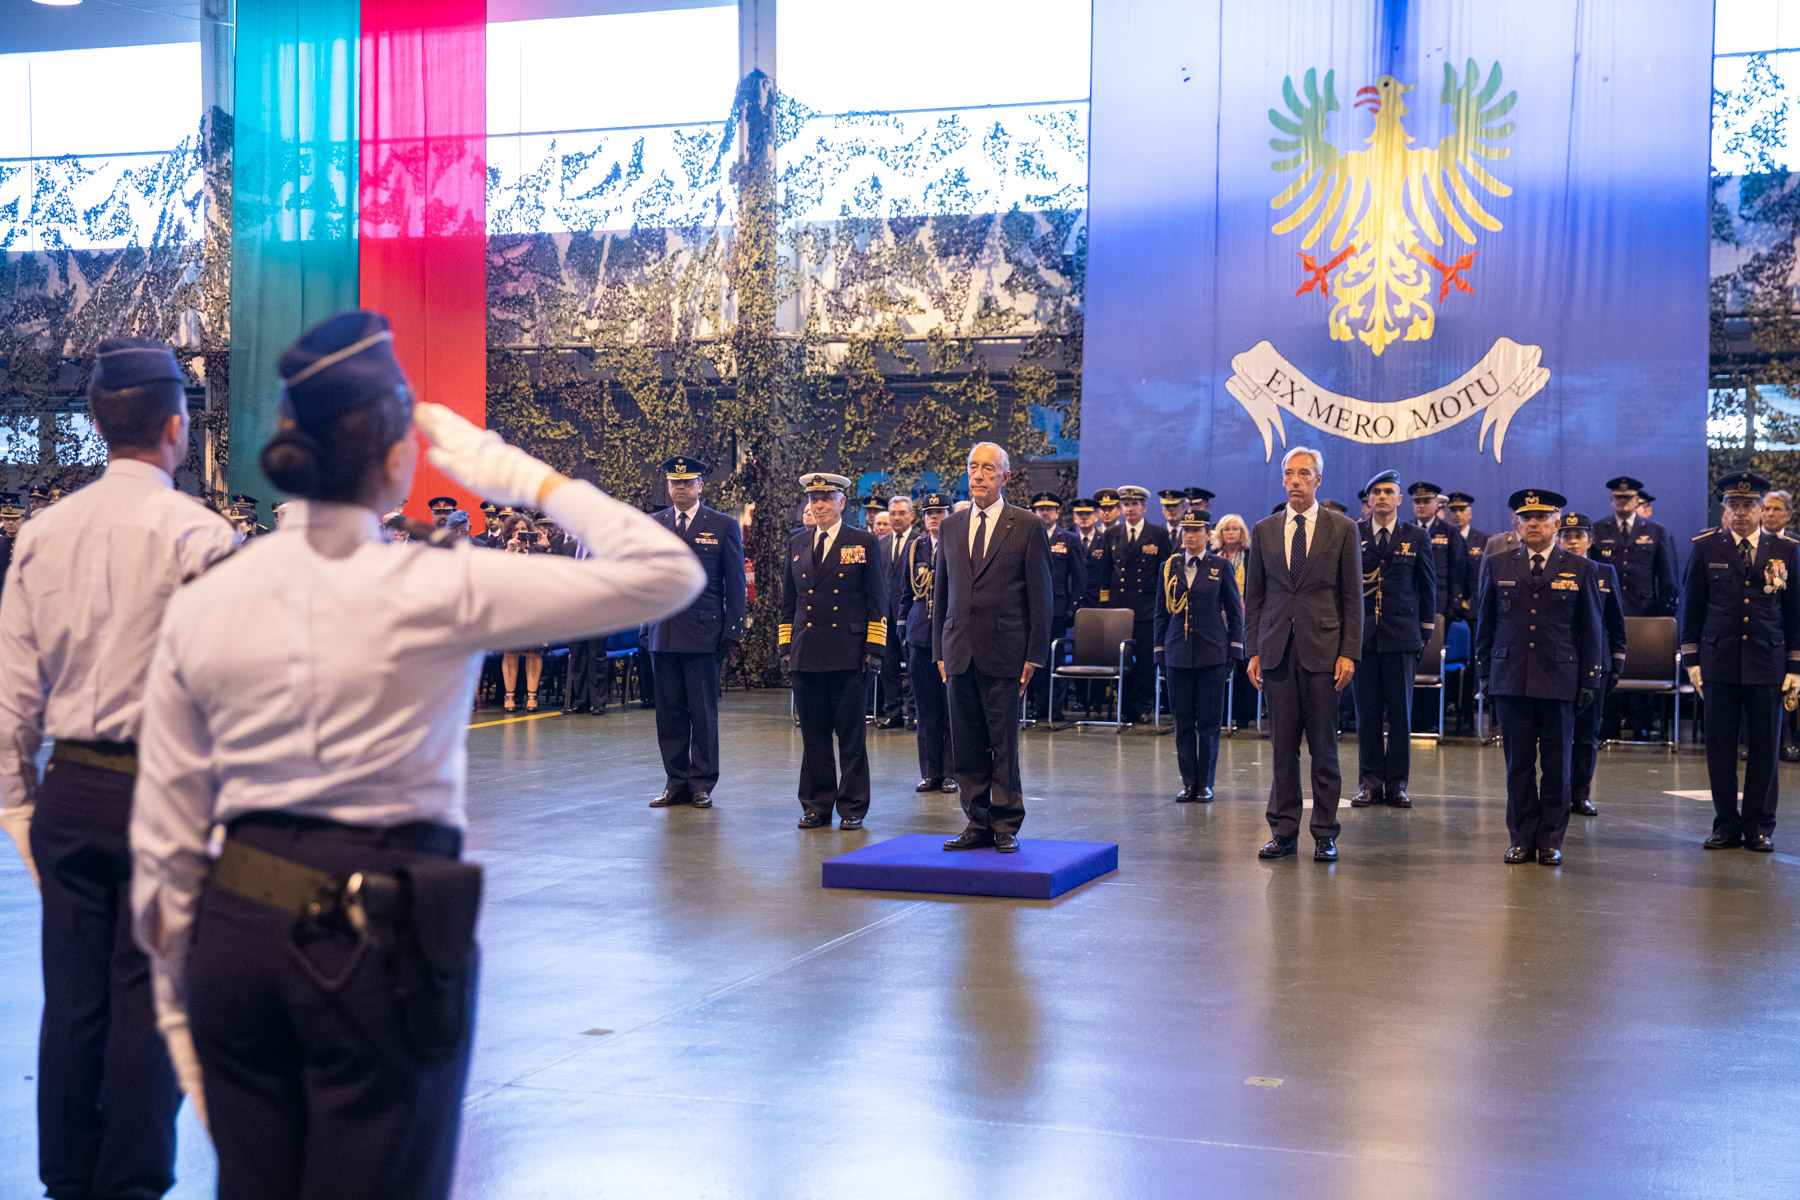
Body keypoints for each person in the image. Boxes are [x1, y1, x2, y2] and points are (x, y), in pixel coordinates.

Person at [128, 310, 702, 1200]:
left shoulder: (211, 595)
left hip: (234, 928)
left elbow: (164, 828)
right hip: (378, 937)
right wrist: (519, 474)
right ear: (398, 459)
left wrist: (176, 1010)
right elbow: (669, 575)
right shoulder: (436, 582)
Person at [0, 337, 236, 1200]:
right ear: (176, 427)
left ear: (98, 424)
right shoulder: (201, 536)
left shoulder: (41, 535)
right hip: (166, 797)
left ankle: (68, 1180)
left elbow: (11, 697)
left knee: (72, 1001)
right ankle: (132, 1183)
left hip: (70, 793)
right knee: (152, 998)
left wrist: (23, 813)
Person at [1244, 446, 1361, 862]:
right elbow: (1254, 597)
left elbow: (1353, 598)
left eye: (1303, 474)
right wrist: (1252, 651)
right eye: (1289, 474)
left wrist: (1349, 652)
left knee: (1324, 749)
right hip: (1276, 651)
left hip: (1325, 653)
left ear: (1318, 480)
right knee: (1282, 749)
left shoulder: (1343, 529)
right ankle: (1284, 830)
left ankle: (1325, 832)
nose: (1295, 481)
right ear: (1282, 480)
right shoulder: (1263, 530)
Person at [1476, 489, 1604, 866]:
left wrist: (1589, 680)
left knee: (1557, 765)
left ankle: (1550, 839)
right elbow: (1486, 625)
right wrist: (1485, 673)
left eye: (1540, 517)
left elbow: (1591, 630)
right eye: (1525, 517)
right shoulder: (1499, 564)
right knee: (1517, 765)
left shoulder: (1581, 568)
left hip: (1559, 678)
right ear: (1517, 523)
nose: (1532, 523)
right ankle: (1521, 837)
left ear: (1556, 523)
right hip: (1511, 676)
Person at [934, 442, 1051, 853]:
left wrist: (1034, 654)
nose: (978, 475)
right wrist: (939, 652)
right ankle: (977, 822)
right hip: (958, 650)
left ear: (1005, 476)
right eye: (972, 467)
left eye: (987, 468)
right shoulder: (951, 526)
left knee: (1002, 742)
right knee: (965, 743)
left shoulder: (1026, 525)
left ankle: (1005, 823)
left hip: (1005, 652)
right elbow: (941, 595)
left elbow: (1041, 596)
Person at [1682, 472, 1800, 853]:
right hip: (1719, 661)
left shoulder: (1787, 551)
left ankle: (1758, 826)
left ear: (1762, 509)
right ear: (1724, 509)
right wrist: (1692, 659)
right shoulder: (1705, 548)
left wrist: (1795, 665)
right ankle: (1726, 824)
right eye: (1734, 505)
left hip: (1768, 661)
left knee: (1765, 748)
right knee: (1720, 747)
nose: (1742, 513)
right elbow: (1692, 607)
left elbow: (1795, 613)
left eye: (1750, 505)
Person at [780, 473, 887, 830]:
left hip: (849, 654)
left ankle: (853, 807)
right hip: (806, 653)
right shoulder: (797, 543)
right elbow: (788, 603)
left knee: (851, 738)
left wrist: (874, 648)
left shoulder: (863, 541)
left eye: (827, 498)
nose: (820, 505)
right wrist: (785, 646)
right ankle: (816, 805)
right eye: (814, 499)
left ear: (843, 502)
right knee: (814, 737)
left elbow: (877, 601)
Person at [646, 456, 746, 810]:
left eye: (687, 483)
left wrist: (733, 629)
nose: (681, 489)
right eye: (675, 483)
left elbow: (733, 582)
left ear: (701, 485)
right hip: (663, 632)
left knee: (703, 713)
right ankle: (676, 781)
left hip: (705, 634)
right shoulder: (653, 524)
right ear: (668, 486)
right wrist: (646, 627)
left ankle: (702, 782)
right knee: (669, 713)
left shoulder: (720, 524)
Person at [1351, 471, 1436, 808]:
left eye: (1389, 491)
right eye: (1376, 492)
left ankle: (1397, 784)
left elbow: (1426, 587)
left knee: (1400, 715)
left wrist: (1424, 631)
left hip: (1402, 637)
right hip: (1364, 637)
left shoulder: (1415, 536)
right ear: (1368, 500)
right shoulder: (1353, 534)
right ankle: (1370, 783)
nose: (1382, 497)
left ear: (1400, 499)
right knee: (1367, 714)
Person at [1155, 512, 1243, 802]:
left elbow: (1234, 612)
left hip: (1211, 653)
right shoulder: (1168, 567)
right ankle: (1188, 781)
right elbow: (1160, 614)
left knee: (1208, 722)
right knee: (1182, 722)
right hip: (1177, 652)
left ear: (1208, 534)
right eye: (1186, 530)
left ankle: (1205, 783)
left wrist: (1234, 649)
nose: (1189, 535)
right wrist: (1159, 651)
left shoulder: (1221, 566)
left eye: (1196, 530)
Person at [1590, 475, 1678, 740]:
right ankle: (1609, 724)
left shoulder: (1655, 530)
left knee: (1643, 663)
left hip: (1645, 612)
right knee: (1610, 667)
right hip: (1608, 611)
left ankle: (1641, 722)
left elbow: (1666, 577)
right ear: (1612, 500)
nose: (1623, 502)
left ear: (1637, 500)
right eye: (1618, 497)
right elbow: (1592, 574)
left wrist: (1664, 615)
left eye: (1628, 498)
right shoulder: (1598, 529)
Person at [1557, 512, 1627, 818]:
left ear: (1590, 540)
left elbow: (1616, 624)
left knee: (1587, 734)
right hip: (1558, 663)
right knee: (1557, 735)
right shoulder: (1551, 571)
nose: (1572, 541)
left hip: (1595, 663)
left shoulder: (1605, 573)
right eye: (1567, 536)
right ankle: (1557, 793)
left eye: (1579, 536)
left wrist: (1616, 663)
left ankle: (1581, 794)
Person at [1099, 484, 1170, 723]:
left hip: (1148, 607)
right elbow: (1105, 572)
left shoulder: (1158, 534)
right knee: (1123, 661)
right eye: (1125, 505)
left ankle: (1144, 707)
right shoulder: (1111, 534)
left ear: (1144, 507)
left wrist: (1164, 607)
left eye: (1134, 504)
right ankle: (1125, 707)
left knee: (1146, 663)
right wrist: (1106, 606)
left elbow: (1166, 572)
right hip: (1120, 608)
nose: (1129, 509)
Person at [905, 493, 957, 793]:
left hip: (948, 637)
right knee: (926, 710)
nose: (934, 517)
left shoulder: (958, 545)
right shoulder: (916, 548)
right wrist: (903, 631)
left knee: (951, 708)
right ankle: (930, 772)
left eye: (939, 511)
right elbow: (904, 594)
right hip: (920, 636)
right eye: (928, 513)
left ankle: (951, 772)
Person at [1028, 491, 1085, 724]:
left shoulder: (1069, 539)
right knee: (1036, 660)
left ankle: (1056, 708)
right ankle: (1040, 707)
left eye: (1049, 509)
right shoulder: (1028, 535)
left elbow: (1080, 577)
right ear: (1034, 512)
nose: (1044, 512)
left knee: (1057, 660)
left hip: (1058, 609)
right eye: (1040, 509)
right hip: (1032, 608)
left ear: (1058, 512)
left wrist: (1073, 608)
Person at [875, 495, 918, 729]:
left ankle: (913, 714)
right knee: (888, 667)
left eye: (902, 513)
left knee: (913, 667)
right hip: (885, 615)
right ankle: (893, 713)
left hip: (911, 615)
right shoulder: (879, 544)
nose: (897, 517)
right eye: (893, 513)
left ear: (912, 515)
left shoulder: (920, 542)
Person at [498, 512, 547, 710]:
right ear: (510, 532)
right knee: (510, 650)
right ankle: (509, 696)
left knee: (533, 651)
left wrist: (546, 547)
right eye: (516, 530)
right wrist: (509, 551)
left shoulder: (538, 552)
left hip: (533, 606)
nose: (519, 534)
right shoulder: (503, 550)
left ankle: (532, 696)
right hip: (510, 607)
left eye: (523, 530)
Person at [1407, 480, 1465, 618]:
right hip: (1410, 597)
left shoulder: (1450, 531)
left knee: (1437, 638)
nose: (1421, 506)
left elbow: (1457, 569)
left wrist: (1454, 602)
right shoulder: (1406, 530)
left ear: (1436, 504)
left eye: (1426, 501)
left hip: (1439, 598)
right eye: (1417, 502)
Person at [1073, 496, 1106, 609]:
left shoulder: (1105, 540)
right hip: (1074, 600)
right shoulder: (1070, 541)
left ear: (1096, 517)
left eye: (1088, 514)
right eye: (1080, 514)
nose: (1084, 517)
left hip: (1097, 599)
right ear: (1074, 518)